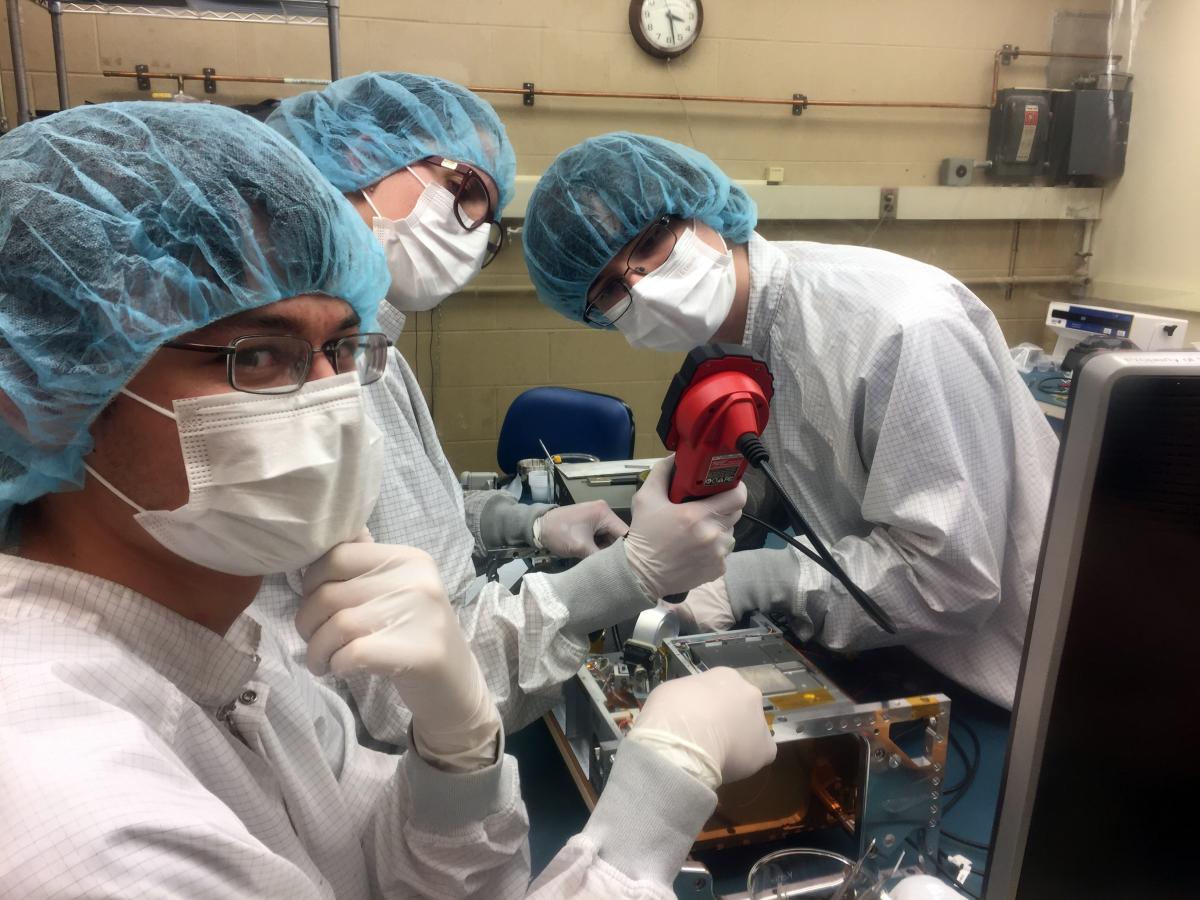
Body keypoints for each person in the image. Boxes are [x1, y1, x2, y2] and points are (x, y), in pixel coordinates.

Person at [0, 102, 776, 899]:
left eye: (342, 348)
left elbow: (397, 868)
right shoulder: (78, 818)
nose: (334, 406)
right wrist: (665, 781)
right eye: (260, 356)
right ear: (36, 393)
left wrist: (458, 751)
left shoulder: (232, 655)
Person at [265, 73, 747, 743]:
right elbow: (407, 696)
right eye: (462, 189)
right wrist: (626, 577)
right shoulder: (292, 372)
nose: (468, 230)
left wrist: (531, 524)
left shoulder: (376, 355)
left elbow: (404, 506)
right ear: (353, 155)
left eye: (486, 218)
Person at [521, 132, 1060, 709]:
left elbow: (953, 576)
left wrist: (741, 583)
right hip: (893, 659)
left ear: (699, 210)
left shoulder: (899, 330)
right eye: (609, 289)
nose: (640, 285)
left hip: (1006, 680)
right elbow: (810, 474)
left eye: (649, 243)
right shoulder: (739, 341)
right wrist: (698, 517)